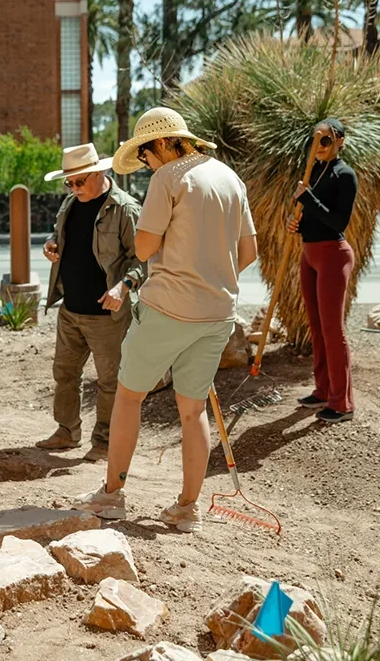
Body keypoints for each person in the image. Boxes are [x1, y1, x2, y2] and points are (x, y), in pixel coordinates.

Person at [66, 107, 259, 531]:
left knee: (129, 396)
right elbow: (248, 253)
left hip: (168, 308)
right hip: (217, 314)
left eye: (146, 156)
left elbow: (145, 248)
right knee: (193, 410)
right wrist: (209, 277)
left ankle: (111, 496)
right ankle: (186, 509)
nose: (147, 164)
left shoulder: (169, 179)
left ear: (162, 144)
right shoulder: (231, 178)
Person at [37, 143, 145, 463]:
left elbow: (144, 258)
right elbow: (62, 239)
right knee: (65, 373)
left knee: (109, 381)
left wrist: (123, 287)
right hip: (70, 309)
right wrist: (51, 245)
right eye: (68, 183)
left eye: (79, 181)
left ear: (99, 173)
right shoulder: (70, 204)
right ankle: (67, 431)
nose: (73, 188)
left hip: (106, 315)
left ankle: (105, 440)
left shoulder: (125, 209)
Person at [287, 117, 358, 424]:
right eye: (315, 141)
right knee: (316, 326)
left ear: (340, 141)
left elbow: (338, 221)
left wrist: (308, 199)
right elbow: (312, 217)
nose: (319, 146)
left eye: (325, 140)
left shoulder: (345, 175)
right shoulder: (313, 172)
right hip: (310, 253)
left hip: (333, 255)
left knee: (332, 330)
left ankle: (342, 403)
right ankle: (322, 390)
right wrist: (295, 223)